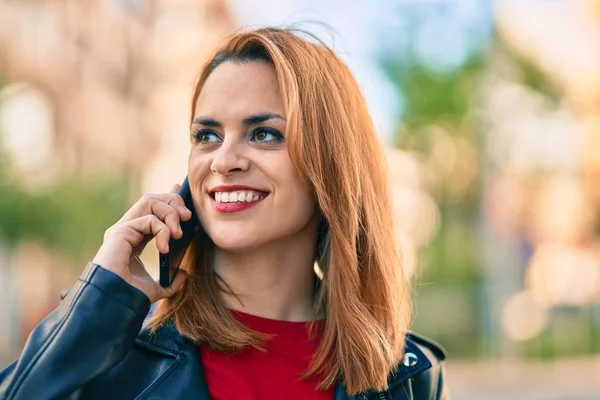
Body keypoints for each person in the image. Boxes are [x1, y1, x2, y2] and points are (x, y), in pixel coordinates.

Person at [0, 27, 449, 400]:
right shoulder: (110, 359)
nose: (223, 160)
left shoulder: (405, 378)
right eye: (208, 135)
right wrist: (99, 296)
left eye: (265, 134)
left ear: (329, 164)